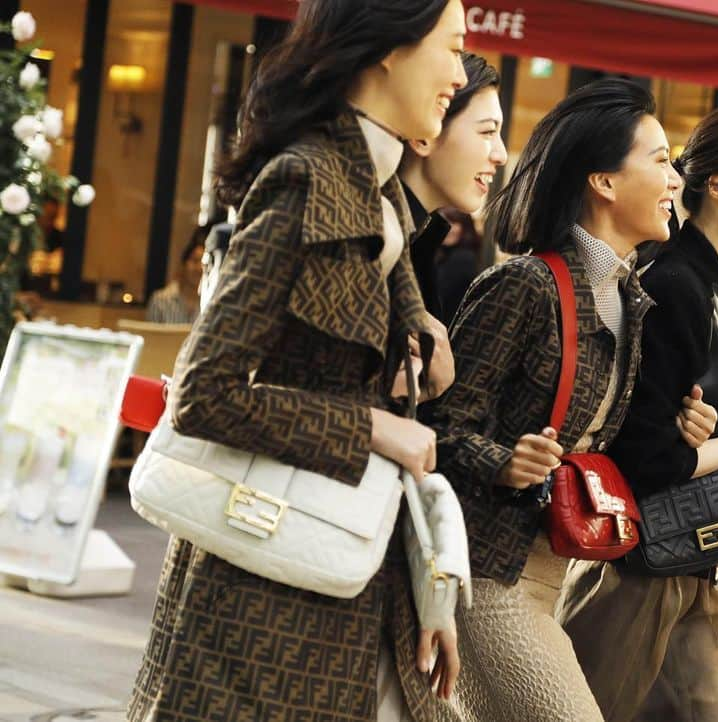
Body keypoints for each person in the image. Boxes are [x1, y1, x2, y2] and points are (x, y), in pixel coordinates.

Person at [127, 2, 467, 720]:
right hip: (253, 593)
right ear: (389, 51)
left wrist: (429, 594)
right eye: (452, 49)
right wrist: (372, 427)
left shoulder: (381, 198)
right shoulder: (305, 180)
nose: (458, 75)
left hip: (338, 569)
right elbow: (204, 394)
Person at [425, 78, 713, 722]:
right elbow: (436, 425)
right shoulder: (523, 285)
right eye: (662, 160)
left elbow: (601, 438)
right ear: (604, 182)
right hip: (488, 573)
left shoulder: (631, 300)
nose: (676, 180)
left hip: (557, 572)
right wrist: (502, 459)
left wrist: (679, 427)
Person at [556, 104, 718, 722]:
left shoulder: (709, 283)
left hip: (687, 569)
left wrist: (708, 431)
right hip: (646, 574)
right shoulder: (677, 283)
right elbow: (646, 455)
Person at [399, 51, 504, 326]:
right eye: (488, 132)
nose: (501, 155)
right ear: (424, 135)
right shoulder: (373, 236)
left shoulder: (418, 241)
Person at [145, 225, 208, 324]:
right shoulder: (160, 300)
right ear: (183, 265)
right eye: (195, 261)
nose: (199, 268)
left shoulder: (210, 304)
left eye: (205, 264)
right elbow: (152, 338)